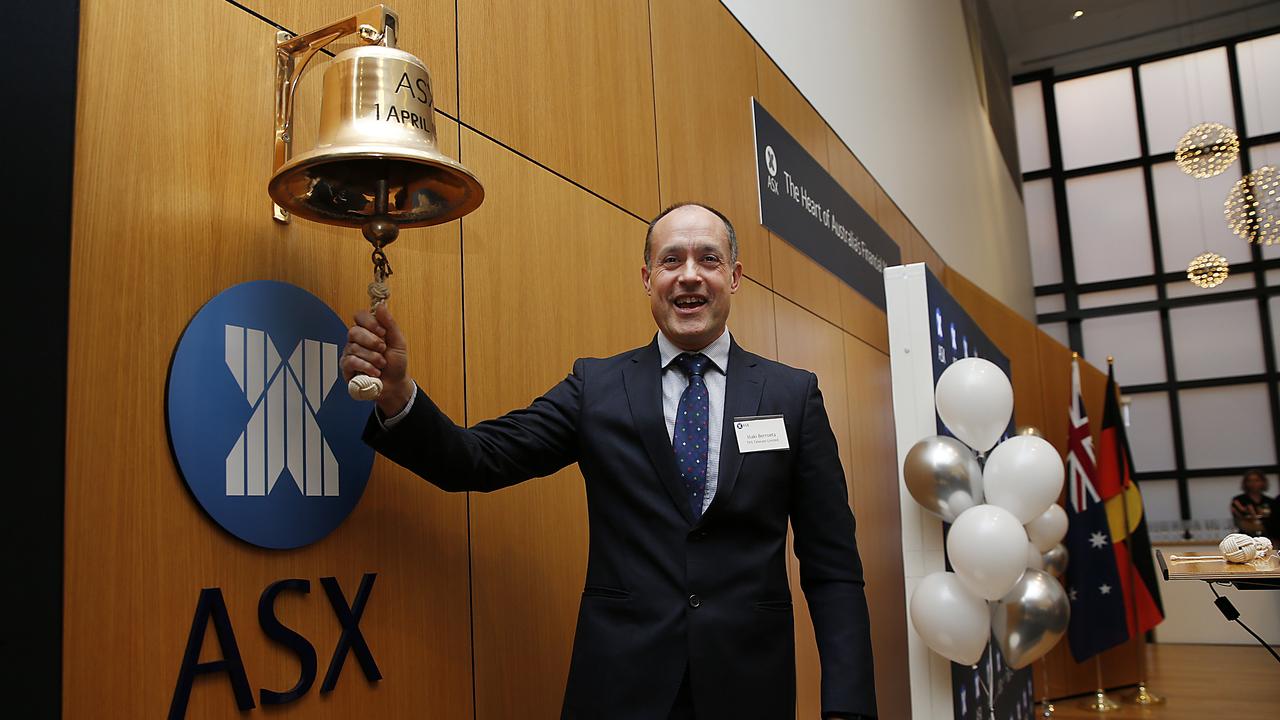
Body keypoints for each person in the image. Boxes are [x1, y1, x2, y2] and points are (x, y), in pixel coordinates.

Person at [341, 203, 876, 719]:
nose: (689, 275)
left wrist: (848, 705)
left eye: (708, 259)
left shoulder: (792, 396)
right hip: (620, 688)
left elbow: (832, 567)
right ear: (647, 279)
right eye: (671, 260)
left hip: (750, 689)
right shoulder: (595, 388)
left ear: (735, 277)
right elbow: (476, 460)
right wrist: (397, 395)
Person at [1230, 469, 1276, 541]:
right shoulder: (1239, 500)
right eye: (1249, 481)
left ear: (1263, 482)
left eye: (1257, 480)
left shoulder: (1270, 501)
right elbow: (1240, 522)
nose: (1253, 483)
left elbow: (1274, 523)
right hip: (1245, 539)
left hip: (1268, 538)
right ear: (1245, 483)